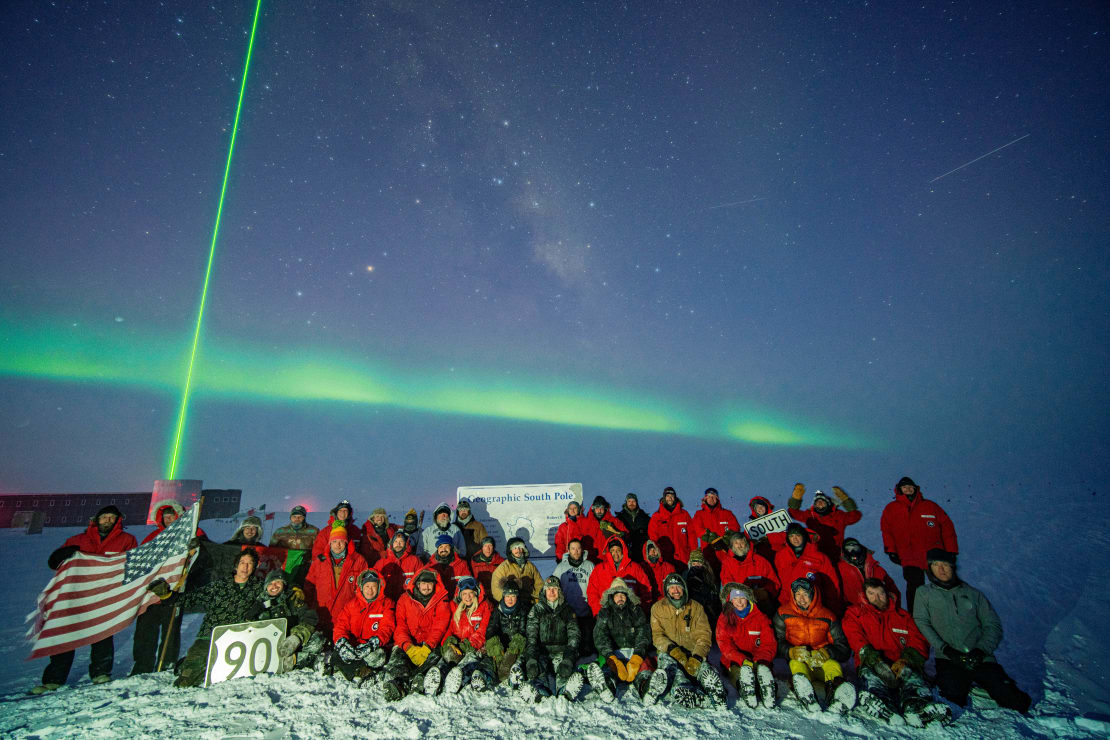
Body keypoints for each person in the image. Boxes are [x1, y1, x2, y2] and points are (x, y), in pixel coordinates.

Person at [32, 506, 138, 693]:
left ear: (118, 521)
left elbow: (134, 566)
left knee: (103, 635)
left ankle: (100, 673)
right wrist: (63, 555)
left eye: (112, 518)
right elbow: (54, 563)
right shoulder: (78, 540)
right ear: (96, 519)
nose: (108, 521)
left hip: (105, 596)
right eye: (104, 517)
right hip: (75, 596)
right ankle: (53, 679)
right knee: (65, 634)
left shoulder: (126, 541)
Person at [913, 550, 1031, 714]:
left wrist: (981, 650)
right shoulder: (924, 593)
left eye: (945, 564)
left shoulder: (973, 594)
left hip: (980, 658)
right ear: (929, 569)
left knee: (1017, 702)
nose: (941, 569)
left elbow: (993, 625)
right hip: (949, 658)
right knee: (953, 697)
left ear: (953, 567)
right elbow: (922, 622)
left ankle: (983, 685)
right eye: (936, 565)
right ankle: (968, 685)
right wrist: (945, 649)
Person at [844, 578, 949, 726]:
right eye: (871, 594)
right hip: (873, 663)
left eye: (880, 593)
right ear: (865, 596)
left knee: (912, 678)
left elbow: (918, 640)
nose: (877, 598)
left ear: (887, 593)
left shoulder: (903, 617)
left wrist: (907, 659)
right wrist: (870, 656)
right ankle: (881, 703)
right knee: (872, 679)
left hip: (900, 664)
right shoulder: (856, 614)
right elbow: (854, 635)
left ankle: (917, 706)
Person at [157, 548, 263, 688]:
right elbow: (193, 598)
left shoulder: (258, 587)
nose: (245, 566)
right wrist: (169, 597)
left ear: (255, 567)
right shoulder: (220, 586)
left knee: (223, 674)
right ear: (236, 565)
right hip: (210, 636)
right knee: (187, 680)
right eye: (242, 562)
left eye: (250, 563)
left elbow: (277, 592)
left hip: (239, 638)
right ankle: (187, 663)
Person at [131, 501, 208, 676]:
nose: (169, 520)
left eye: (172, 516)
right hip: (151, 592)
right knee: (145, 630)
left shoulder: (191, 533)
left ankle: (167, 661)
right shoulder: (153, 537)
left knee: (171, 629)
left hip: (176, 590)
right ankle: (143, 663)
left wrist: (198, 545)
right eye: (166, 517)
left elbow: (205, 553)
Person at [773, 577, 855, 714]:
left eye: (805, 594)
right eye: (797, 595)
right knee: (796, 664)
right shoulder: (783, 613)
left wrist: (827, 653)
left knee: (833, 665)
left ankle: (837, 690)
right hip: (801, 659)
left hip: (821, 660)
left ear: (813, 595)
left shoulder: (828, 616)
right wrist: (790, 652)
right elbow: (776, 642)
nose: (801, 599)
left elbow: (844, 648)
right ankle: (805, 691)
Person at [881, 477, 958, 612]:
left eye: (911, 487)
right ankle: (915, 617)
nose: (908, 490)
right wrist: (891, 550)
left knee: (943, 584)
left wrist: (951, 551)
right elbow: (886, 531)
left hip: (934, 555)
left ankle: (950, 614)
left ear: (916, 488)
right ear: (899, 490)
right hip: (909, 556)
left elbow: (947, 528)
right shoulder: (891, 509)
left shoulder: (930, 506)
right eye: (905, 487)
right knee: (914, 587)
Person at [647, 573, 725, 706]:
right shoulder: (657, 608)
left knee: (703, 669)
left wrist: (698, 656)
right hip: (669, 653)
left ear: (684, 589)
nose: (675, 591)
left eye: (678, 587)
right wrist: (672, 649)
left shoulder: (696, 607)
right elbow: (657, 635)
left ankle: (714, 689)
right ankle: (685, 689)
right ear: (667, 590)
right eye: (672, 588)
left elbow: (704, 635)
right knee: (672, 671)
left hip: (692, 652)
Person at [381, 568, 451, 700]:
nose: (426, 587)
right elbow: (400, 626)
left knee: (434, 660)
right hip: (409, 643)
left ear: (435, 584)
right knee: (398, 658)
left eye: (430, 583)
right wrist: (407, 646)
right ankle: (400, 684)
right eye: (423, 583)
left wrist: (428, 646)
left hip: (430, 644)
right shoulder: (404, 599)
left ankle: (419, 680)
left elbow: (440, 626)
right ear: (417, 584)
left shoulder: (442, 600)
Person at [588, 577, 653, 703]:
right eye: (617, 595)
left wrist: (638, 655)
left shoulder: (636, 610)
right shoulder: (605, 612)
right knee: (609, 670)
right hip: (614, 654)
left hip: (634, 652)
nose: (620, 597)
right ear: (611, 596)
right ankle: (606, 687)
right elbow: (600, 636)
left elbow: (643, 633)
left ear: (627, 596)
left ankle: (648, 689)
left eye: (623, 594)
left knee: (644, 668)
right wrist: (611, 656)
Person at [522, 576, 584, 701]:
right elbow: (531, 636)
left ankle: (565, 691)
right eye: (549, 589)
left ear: (559, 591)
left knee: (563, 670)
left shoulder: (567, 610)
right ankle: (539, 691)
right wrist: (531, 658)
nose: (551, 592)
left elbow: (574, 636)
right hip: (542, 652)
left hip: (562, 651)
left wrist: (569, 658)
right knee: (539, 670)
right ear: (544, 591)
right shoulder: (537, 610)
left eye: (555, 589)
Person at [716, 582, 777, 709]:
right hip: (735, 660)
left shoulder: (760, 617)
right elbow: (724, 644)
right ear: (730, 600)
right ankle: (745, 689)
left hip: (759, 659)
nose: (739, 602)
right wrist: (742, 660)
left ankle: (768, 691)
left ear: (748, 598)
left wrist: (760, 661)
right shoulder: (724, 618)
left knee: (763, 671)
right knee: (739, 673)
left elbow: (769, 644)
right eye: (735, 599)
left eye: (742, 598)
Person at [250, 569, 324, 672]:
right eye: (270, 583)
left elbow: (309, 617)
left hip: (290, 643)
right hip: (266, 646)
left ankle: (295, 659)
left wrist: (297, 636)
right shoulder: (259, 604)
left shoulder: (293, 598)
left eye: (278, 582)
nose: (274, 586)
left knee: (316, 640)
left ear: (284, 584)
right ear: (266, 587)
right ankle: (292, 659)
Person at [304, 525, 369, 636]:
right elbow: (309, 586)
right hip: (322, 616)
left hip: (346, 618)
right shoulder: (320, 561)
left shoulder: (358, 560)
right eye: (334, 541)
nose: (338, 545)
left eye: (341, 541)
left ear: (346, 543)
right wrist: (310, 609)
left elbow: (364, 590)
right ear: (329, 543)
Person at [332, 569, 395, 682]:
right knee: (338, 654)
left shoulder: (387, 604)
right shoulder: (351, 605)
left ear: (379, 587)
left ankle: (357, 671)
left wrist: (372, 644)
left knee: (377, 657)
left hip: (372, 647)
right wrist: (342, 643)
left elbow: (387, 628)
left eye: (373, 586)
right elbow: (341, 626)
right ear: (361, 587)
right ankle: (359, 672)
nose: (370, 590)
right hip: (354, 645)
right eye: (367, 586)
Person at [434, 576, 492, 695]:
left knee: (469, 661)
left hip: (475, 647)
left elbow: (482, 632)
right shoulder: (455, 607)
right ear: (460, 595)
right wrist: (447, 643)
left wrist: (467, 645)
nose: (468, 597)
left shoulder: (485, 606)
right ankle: (436, 678)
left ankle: (457, 679)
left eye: (471, 593)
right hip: (459, 645)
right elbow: (450, 628)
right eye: (464, 593)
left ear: (476, 593)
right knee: (447, 658)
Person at [774, 522, 842, 614]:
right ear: (787, 538)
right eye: (791, 536)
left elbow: (832, 584)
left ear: (804, 536)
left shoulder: (819, 557)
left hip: (814, 605)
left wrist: (833, 607)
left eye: (798, 535)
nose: (795, 539)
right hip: (787, 604)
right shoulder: (780, 556)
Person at [786, 483, 862, 562]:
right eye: (817, 502)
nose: (819, 503)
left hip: (836, 554)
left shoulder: (838, 515)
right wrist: (796, 498)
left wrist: (845, 499)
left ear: (828, 503)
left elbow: (855, 516)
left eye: (822, 501)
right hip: (817, 555)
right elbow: (793, 512)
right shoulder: (810, 515)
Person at [586, 536, 651, 617]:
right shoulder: (599, 569)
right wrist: (600, 612)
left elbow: (646, 591)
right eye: (612, 550)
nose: (615, 553)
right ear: (608, 552)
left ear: (623, 551)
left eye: (618, 550)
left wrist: (640, 611)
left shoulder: (635, 568)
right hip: (607, 616)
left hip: (630, 616)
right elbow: (592, 593)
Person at [718, 532, 780, 614]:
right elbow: (727, 585)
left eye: (742, 542)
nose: (739, 546)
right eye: (736, 543)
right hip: (738, 603)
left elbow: (774, 583)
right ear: (732, 546)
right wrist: (741, 596)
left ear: (746, 543)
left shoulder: (760, 561)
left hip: (760, 603)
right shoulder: (727, 563)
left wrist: (764, 592)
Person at [482, 577, 528, 688]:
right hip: (502, 645)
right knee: (491, 648)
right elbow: (491, 629)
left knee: (520, 644)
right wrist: (494, 644)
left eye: (513, 596)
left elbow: (523, 630)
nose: (510, 600)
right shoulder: (498, 610)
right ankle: (491, 671)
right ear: (503, 597)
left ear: (517, 597)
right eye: (507, 596)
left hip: (516, 647)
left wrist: (515, 647)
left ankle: (510, 673)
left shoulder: (523, 609)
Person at [552, 538, 595, 647]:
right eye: (573, 549)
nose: (576, 551)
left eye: (578, 548)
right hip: (568, 614)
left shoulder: (590, 566)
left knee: (586, 647)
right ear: (569, 551)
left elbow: (596, 587)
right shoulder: (561, 567)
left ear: (582, 550)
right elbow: (554, 587)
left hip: (586, 613)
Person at [838, 537, 899, 610]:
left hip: (879, 613)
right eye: (848, 549)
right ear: (844, 552)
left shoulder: (876, 568)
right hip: (854, 614)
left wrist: (887, 603)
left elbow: (893, 591)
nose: (852, 551)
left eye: (855, 548)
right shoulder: (839, 570)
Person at [692, 487, 741, 571]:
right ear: (705, 499)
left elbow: (735, 528)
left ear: (717, 499)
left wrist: (725, 540)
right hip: (709, 556)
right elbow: (697, 529)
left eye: (714, 497)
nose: (711, 499)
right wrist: (713, 539)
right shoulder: (699, 514)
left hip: (727, 554)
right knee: (712, 582)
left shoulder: (727, 513)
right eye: (709, 497)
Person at [269, 505, 318, 584]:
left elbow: (317, 549)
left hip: (304, 568)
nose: (297, 519)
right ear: (290, 517)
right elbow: (271, 550)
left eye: (300, 517)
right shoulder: (280, 531)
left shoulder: (313, 531)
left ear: (304, 518)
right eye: (294, 516)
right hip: (284, 568)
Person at [648, 486, 696, 567]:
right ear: (664, 498)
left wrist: (694, 554)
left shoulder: (684, 514)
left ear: (675, 498)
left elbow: (692, 535)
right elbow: (653, 537)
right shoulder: (657, 516)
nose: (670, 498)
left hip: (683, 558)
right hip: (665, 560)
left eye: (672, 496)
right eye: (667, 496)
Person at [490, 537, 543, 605]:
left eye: (520, 547)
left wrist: (536, 601)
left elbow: (539, 585)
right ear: (510, 550)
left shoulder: (530, 566)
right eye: (514, 548)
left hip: (529, 603)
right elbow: (496, 591)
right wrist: (509, 601)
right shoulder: (503, 568)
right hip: (511, 605)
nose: (518, 550)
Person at [377, 530, 423, 601]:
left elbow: (422, 581)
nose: (398, 544)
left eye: (401, 541)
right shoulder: (383, 562)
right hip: (387, 601)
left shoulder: (415, 561)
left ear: (406, 544)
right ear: (392, 544)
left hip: (408, 601)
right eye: (396, 541)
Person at [682, 549, 721, 630]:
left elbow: (714, 596)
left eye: (699, 563)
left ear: (703, 564)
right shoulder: (686, 574)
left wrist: (702, 586)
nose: (696, 566)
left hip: (706, 610)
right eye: (694, 564)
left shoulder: (709, 575)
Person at [428, 533, 472, 601]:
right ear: (437, 549)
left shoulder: (462, 564)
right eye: (441, 547)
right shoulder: (430, 565)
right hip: (439, 602)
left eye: (446, 546)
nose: (443, 549)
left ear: (451, 548)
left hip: (457, 601)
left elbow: (468, 584)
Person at [747, 495, 787, 561]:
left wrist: (768, 538)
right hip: (764, 557)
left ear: (766, 506)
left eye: (761, 506)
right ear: (754, 510)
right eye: (757, 507)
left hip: (781, 552)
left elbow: (785, 536)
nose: (760, 509)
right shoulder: (752, 526)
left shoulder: (777, 518)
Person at [616, 493, 651, 560]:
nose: (631, 503)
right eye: (629, 501)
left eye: (633, 501)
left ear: (637, 502)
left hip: (641, 551)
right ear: (626, 502)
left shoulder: (644, 517)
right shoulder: (619, 518)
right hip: (625, 551)